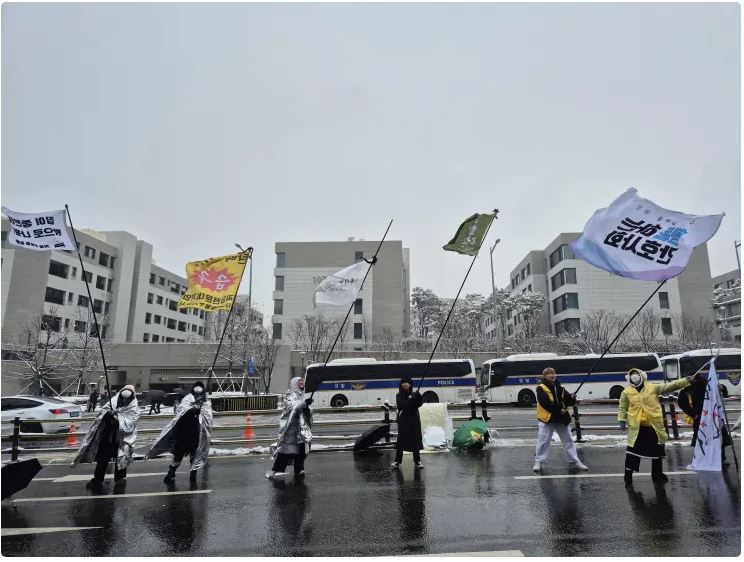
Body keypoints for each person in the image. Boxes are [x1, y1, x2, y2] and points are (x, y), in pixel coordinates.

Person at [618, 368, 694, 485]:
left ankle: (657, 475)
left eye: (636, 374)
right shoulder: (626, 392)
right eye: (632, 375)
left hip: (654, 426)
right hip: (637, 428)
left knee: (657, 453)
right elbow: (623, 407)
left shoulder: (652, 387)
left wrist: (685, 381)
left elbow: (670, 386)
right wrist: (622, 419)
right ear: (629, 378)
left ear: (642, 376)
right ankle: (627, 476)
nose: (634, 376)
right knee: (632, 453)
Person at [71, 384, 139, 488]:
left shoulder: (133, 406)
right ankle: (98, 479)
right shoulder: (113, 401)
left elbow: (131, 421)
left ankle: (120, 479)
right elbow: (101, 415)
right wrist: (109, 415)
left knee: (121, 457)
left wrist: (118, 420)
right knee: (102, 459)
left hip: (121, 438)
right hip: (107, 435)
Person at [146, 381, 213, 482]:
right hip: (183, 432)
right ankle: (171, 473)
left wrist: (200, 412)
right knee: (178, 454)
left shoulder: (205, 402)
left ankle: (193, 475)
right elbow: (181, 411)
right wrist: (192, 410)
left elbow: (208, 418)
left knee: (194, 455)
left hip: (196, 434)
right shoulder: (187, 399)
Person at [533, 367, 588, 472]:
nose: (552, 375)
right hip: (547, 419)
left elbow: (568, 401)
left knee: (568, 440)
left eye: (553, 373)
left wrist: (572, 398)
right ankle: (539, 462)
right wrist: (560, 409)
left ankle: (574, 460)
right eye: (549, 374)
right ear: (544, 376)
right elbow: (545, 404)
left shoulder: (560, 387)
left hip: (561, 418)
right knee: (543, 441)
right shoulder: (541, 388)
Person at [677, 371, 732, 467]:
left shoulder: (704, 383)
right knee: (714, 436)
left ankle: (714, 458)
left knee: (711, 437)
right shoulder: (694, 386)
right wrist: (693, 414)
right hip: (708, 416)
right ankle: (718, 458)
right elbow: (682, 402)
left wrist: (693, 414)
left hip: (706, 416)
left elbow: (681, 402)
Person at [266, 377, 313, 480]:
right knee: (285, 452)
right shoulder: (290, 396)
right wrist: (304, 404)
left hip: (300, 432)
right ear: (294, 384)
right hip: (291, 431)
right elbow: (293, 407)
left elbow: (305, 412)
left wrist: (307, 407)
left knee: (300, 451)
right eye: (299, 381)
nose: (302, 382)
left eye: (302, 381)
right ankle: (274, 471)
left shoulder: (302, 395)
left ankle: (299, 470)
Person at [391, 378, 424, 469]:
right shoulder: (399, 395)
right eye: (403, 383)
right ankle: (397, 461)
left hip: (414, 420)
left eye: (407, 383)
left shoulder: (414, 394)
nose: (404, 384)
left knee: (415, 439)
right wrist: (410, 399)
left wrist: (418, 397)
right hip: (404, 420)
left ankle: (417, 461)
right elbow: (402, 405)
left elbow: (419, 404)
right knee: (401, 440)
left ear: (410, 384)